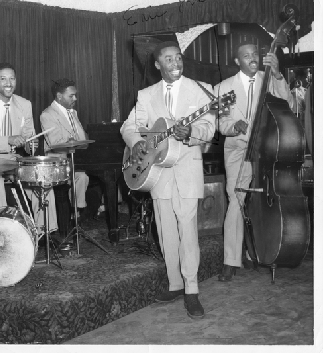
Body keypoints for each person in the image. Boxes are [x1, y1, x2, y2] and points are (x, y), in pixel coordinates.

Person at [121, 41, 215, 319]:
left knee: (187, 228)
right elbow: (129, 126)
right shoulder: (146, 94)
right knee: (165, 228)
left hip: (187, 166)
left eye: (178, 58)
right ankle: (175, 283)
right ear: (157, 64)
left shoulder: (198, 89)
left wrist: (191, 132)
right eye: (169, 59)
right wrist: (137, 142)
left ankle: (192, 289)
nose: (175, 64)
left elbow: (209, 127)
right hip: (157, 171)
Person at [214, 41, 293, 282]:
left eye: (255, 54)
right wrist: (233, 127)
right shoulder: (224, 87)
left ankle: (257, 251)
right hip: (238, 150)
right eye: (246, 56)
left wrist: (278, 73)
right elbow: (221, 123)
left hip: (266, 150)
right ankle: (231, 260)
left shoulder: (268, 78)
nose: (252, 58)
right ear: (237, 61)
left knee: (260, 200)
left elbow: (288, 104)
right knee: (236, 198)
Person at [0, 62, 58, 232]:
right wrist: (8, 140)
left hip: (12, 160)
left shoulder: (25, 105)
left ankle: (45, 232)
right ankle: (0, 233)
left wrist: (31, 145)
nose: (8, 83)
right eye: (3, 79)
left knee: (42, 180)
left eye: (12, 79)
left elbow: (29, 136)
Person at [40, 78, 91, 238]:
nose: (75, 99)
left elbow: (82, 139)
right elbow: (55, 143)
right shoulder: (47, 115)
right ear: (59, 96)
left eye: (75, 95)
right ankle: (75, 216)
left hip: (75, 161)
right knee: (81, 176)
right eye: (71, 96)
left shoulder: (73, 113)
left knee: (83, 176)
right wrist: (75, 142)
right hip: (57, 164)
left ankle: (76, 215)